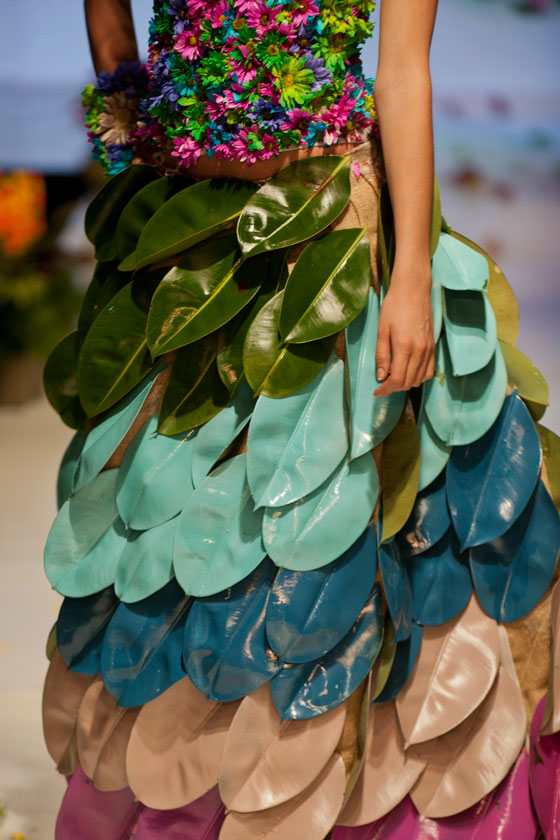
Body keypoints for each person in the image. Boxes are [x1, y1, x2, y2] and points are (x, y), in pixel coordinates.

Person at [41, 0, 559, 837]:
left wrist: (412, 278)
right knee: (167, 537)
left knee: (341, 528)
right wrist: (126, 103)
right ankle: (190, 796)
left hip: (332, 229)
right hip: (188, 239)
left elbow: (402, 69)